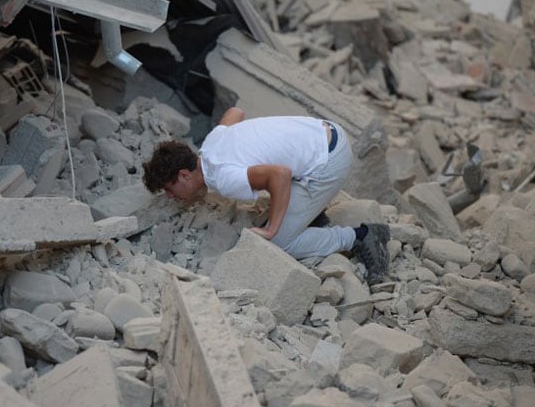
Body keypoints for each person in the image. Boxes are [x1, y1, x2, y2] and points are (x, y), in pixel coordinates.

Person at [142, 107, 390, 284]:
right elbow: (235, 112)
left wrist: (272, 229)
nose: (171, 196)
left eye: (168, 188)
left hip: (328, 161)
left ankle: (360, 236)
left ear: (185, 175)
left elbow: (279, 175)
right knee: (278, 208)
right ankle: (309, 214)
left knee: (279, 242)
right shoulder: (210, 144)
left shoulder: (223, 178)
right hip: (323, 132)